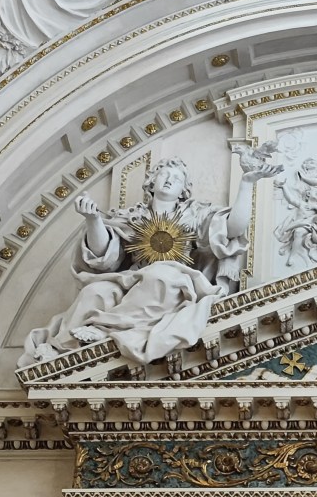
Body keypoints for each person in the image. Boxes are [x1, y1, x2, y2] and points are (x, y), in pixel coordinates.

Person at [18, 156, 278, 367]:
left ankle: (104, 329)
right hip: (132, 282)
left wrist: (246, 184)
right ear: (152, 182)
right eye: (164, 174)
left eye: (176, 178)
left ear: (184, 190)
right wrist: (93, 220)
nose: (169, 180)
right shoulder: (132, 216)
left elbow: (233, 228)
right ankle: (61, 346)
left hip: (176, 282)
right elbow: (103, 257)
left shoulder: (195, 215)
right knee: (95, 291)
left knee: (161, 276)